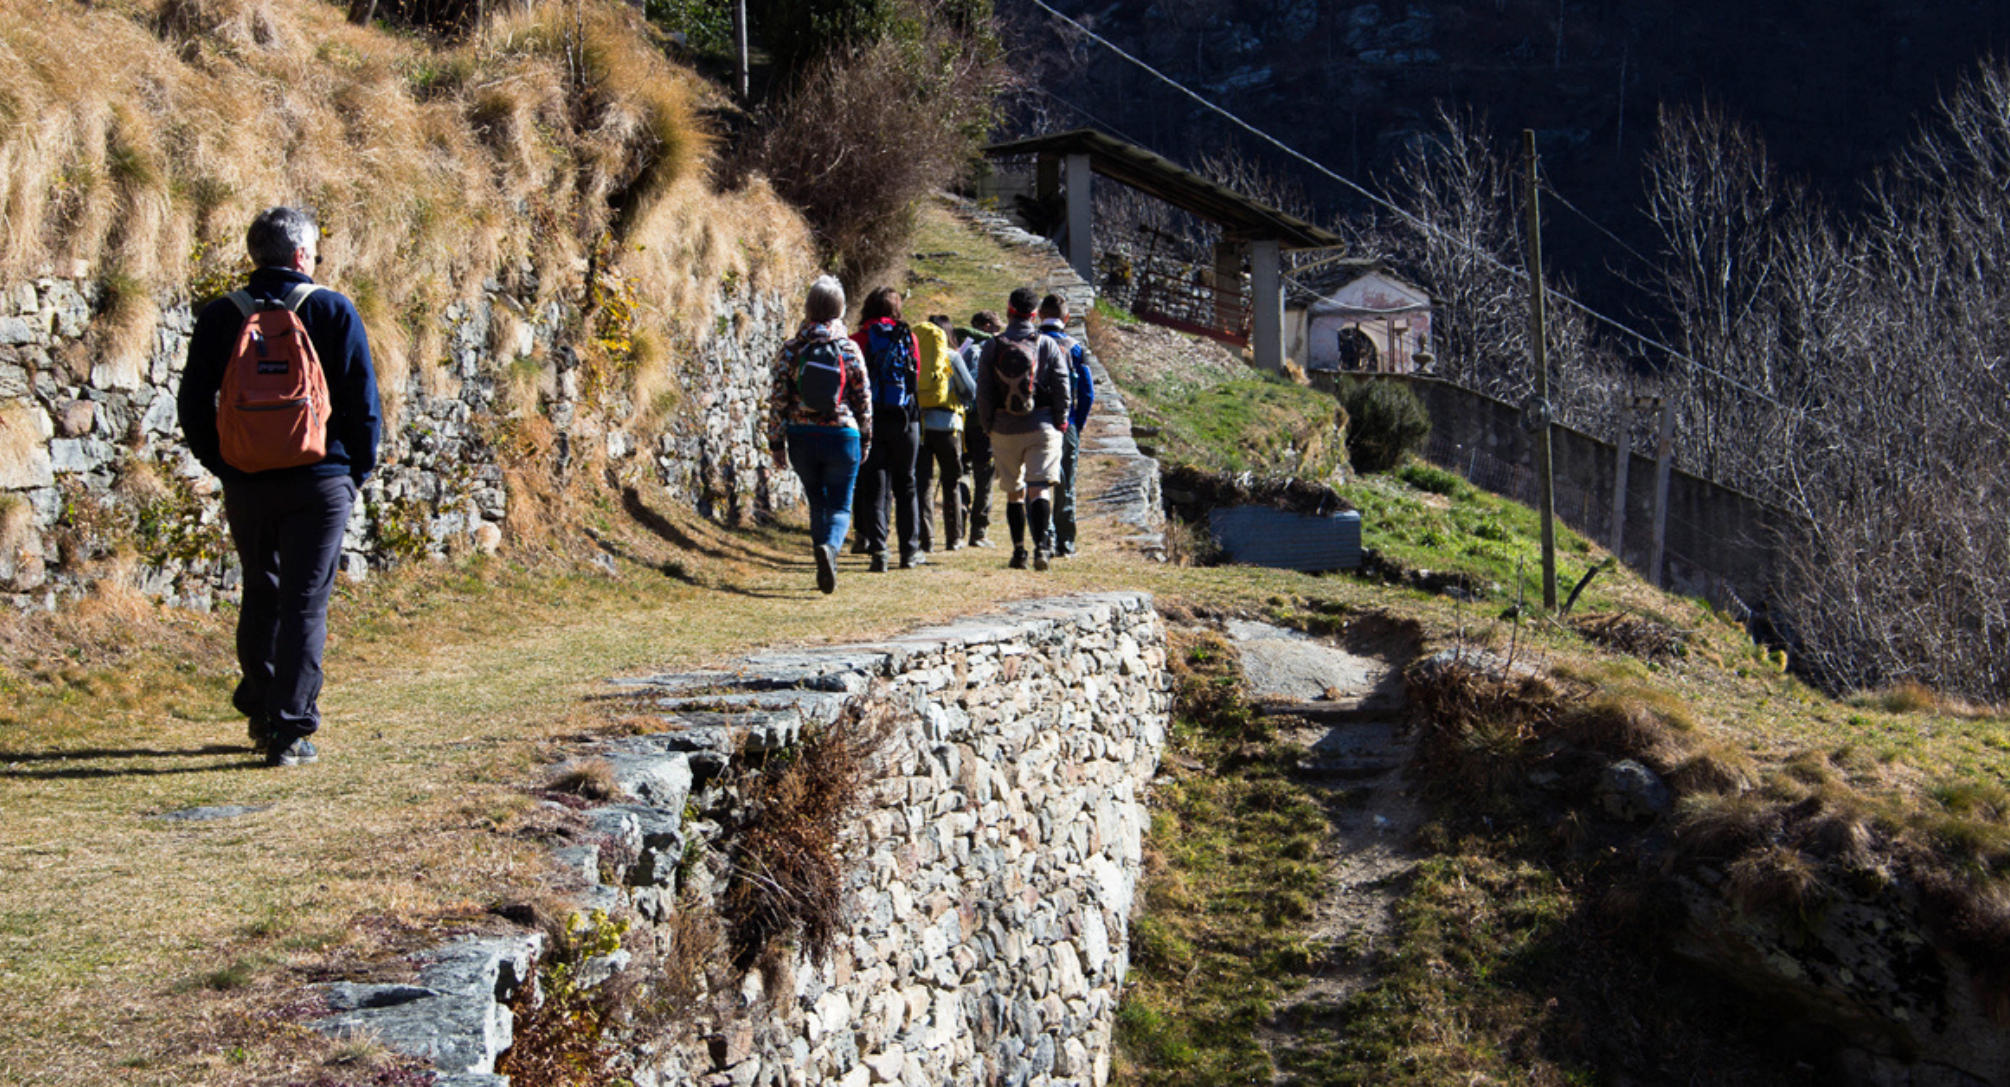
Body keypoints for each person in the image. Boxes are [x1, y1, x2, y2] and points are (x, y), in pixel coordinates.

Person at [177, 206, 381, 768]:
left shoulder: (222, 315)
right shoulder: (332, 308)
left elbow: (193, 402)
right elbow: (363, 406)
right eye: (313, 250)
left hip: (247, 479)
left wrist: (224, 465)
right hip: (320, 480)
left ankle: (264, 716)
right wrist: (352, 473)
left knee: (261, 593)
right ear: (299, 255)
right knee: (305, 603)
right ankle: (291, 731)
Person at [767, 274, 873, 596]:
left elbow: (778, 398)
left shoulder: (791, 349)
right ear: (840, 309)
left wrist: (776, 441)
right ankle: (830, 550)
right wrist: (866, 438)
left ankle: (822, 561)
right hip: (842, 436)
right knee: (841, 506)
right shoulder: (849, 348)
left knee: (817, 503)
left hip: (801, 436)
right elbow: (863, 398)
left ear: (809, 307)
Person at [975, 287, 1070, 571]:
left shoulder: (993, 345)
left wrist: (988, 424)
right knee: (1039, 489)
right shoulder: (1046, 344)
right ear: (1034, 314)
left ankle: (1019, 552)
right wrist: (1061, 420)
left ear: (1008, 310)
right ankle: (1042, 547)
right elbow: (1063, 386)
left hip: (1004, 427)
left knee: (1014, 492)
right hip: (1041, 425)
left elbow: (983, 391)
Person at [849, 287, 925, 571]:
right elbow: (914, 376)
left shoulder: (857, 339)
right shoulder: (908, 337)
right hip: (906, 418)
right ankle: (909, 552)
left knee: (873, 485)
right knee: (906, 484)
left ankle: (879, 551)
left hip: (870, 419)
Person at [1036, 293, 1096, 558]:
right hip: (1066, 423)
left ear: (1039, 315)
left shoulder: (1030, 342)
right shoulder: (1074, 346)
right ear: (1067, 318)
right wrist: (1077, 422)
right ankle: (1065, 542)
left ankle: (1042, 537)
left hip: (1035, 421)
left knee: (1037, 482)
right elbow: (1087, 391)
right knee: (1065, 485)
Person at [914, 314, 975, 552]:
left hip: (920, 426)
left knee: (923, 483)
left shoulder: (916, 356)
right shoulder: (952, 356)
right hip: (948, 425)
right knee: (951, 482)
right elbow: (970, 391)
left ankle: (925, 538)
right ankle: (954, 537)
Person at [957, 311, 1003, 547]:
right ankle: (979, 531)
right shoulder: (992, 349)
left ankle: (961, 509)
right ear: (987, 327)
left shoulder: (960, 348)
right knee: (984, 475)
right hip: (984, 423)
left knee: (962, 470)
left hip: (959, 420)